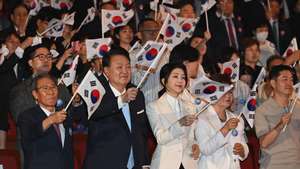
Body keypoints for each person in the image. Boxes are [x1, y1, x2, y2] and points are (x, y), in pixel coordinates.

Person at [83, 47, 150, 169]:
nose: (125, 71)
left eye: (128, 67)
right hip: (104, 163)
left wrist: (144, 162)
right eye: (119, 67)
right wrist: (121, 100)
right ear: (107, 71)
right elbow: (95, 113)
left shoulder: (137, 94)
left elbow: (142, 132)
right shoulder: (96, 93)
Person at [146, 63, 199, 169]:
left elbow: (192, 136)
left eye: (183, 77)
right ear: (163, 81)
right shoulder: (154, 106)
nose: (180, 80)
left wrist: (196, 145)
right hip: (166, 162)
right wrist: (180, 123)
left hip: (188, 162)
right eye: (175, 76)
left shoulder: (190, 105)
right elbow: (160, 138)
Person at [17, 74, 74, 169]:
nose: (51, 92)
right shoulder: (27, 116)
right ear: (35, 94)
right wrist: (50, 120)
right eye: (45, 88)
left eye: (53, 87)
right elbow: (29, 136)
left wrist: (76, 101)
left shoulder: (64, 114)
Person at [195, 75, 249, 169]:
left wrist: (242, 150)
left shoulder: (237, 119)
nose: (228, 96)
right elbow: (205, 149)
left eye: (230, 92)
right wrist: (225, 129)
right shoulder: (202, 118)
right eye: (223, 92)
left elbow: (243, 144)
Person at [255, 65, 300, 169]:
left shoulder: (297, 106)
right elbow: (264, 143)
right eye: (284, 79)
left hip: (296, 163)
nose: (289, 83)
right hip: (273, 164)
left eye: (291, 80)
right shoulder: (262, 110)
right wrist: (280, 125)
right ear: (273, 83)